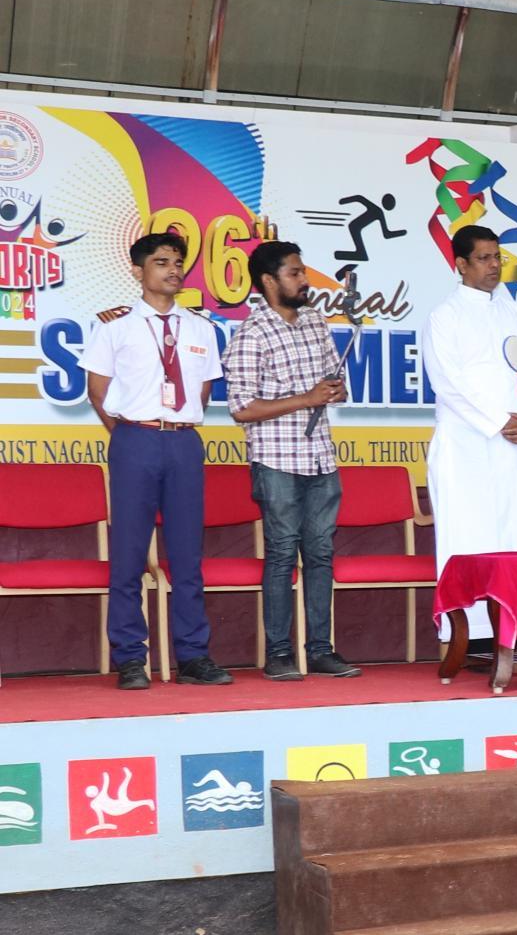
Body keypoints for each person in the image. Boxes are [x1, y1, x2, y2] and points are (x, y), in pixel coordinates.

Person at [84, 231, 230, 689]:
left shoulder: (202, 327)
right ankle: (130, 658)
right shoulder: (115, 325)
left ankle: (193, 657)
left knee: (187, 556)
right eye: (162, 262)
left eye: (178, 262)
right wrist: (131, 434)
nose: (173, 270)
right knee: (128, 554)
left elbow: (204, 392)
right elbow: (98, 392)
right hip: (135, 441)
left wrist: (171, 425)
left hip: (184, 443)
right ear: (138, 271)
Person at [419, 223, 517, 648]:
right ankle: (475, 634)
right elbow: (448, 383)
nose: (495, 265)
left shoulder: (512, 312)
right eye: (484, 258)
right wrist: (500, 422)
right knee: (474, 535)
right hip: (471, 447)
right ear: (460, 264)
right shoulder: (445, 316)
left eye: (497, 257)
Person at [227, 239, 357, 681]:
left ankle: (321, 649)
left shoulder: (316, 323)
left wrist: (335, 391)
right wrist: (307, 397)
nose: (304, 280)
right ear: (269, 281)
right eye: (295, 273)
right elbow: (242, 408)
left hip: (321, 457)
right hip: (277, 460)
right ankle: (279, 654)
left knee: (321, 554)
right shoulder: (251, 333)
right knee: (283, 555)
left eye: (303, 272)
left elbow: (333, 387)